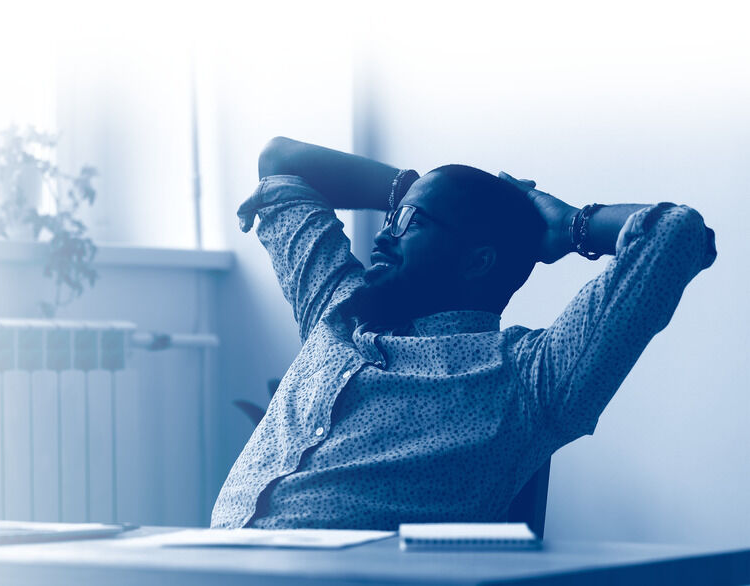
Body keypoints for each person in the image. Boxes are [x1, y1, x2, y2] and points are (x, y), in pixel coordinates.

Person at [210, 136, 717, 530]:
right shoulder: (338, 310)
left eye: (411, 220)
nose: (387, 232)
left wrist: (568, 227)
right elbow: (281, 161)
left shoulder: (531, 376)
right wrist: (416, 186)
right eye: (393, 215)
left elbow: (677, 234)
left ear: (477, 261)